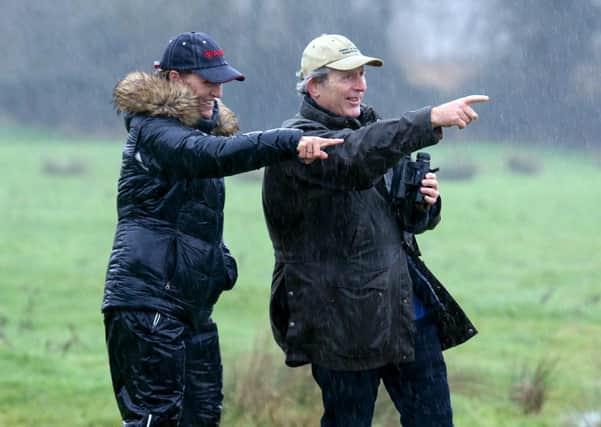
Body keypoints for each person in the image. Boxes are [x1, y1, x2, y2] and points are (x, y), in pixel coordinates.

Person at [101, 31, 342, 427]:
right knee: (154, 420)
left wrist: (218, 260)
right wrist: (286, 142)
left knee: (202, 419)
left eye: (222, 83)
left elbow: (190, 211)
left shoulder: (193, 132)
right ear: (175, 80)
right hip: (149, 305)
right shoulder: (153, 130)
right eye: (209, 82)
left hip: (192, 309)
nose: (219, 92)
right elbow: (208, 157)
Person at [262, 34, 487, 427]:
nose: (361, 86)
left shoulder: (373, 130)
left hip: (405, 314)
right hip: (340, 322)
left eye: (362, 75)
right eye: (348, 77)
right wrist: (428, 118)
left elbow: (404, 221)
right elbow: (352, 160)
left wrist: (424, 204)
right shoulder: (297, 143)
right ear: (314, 85)